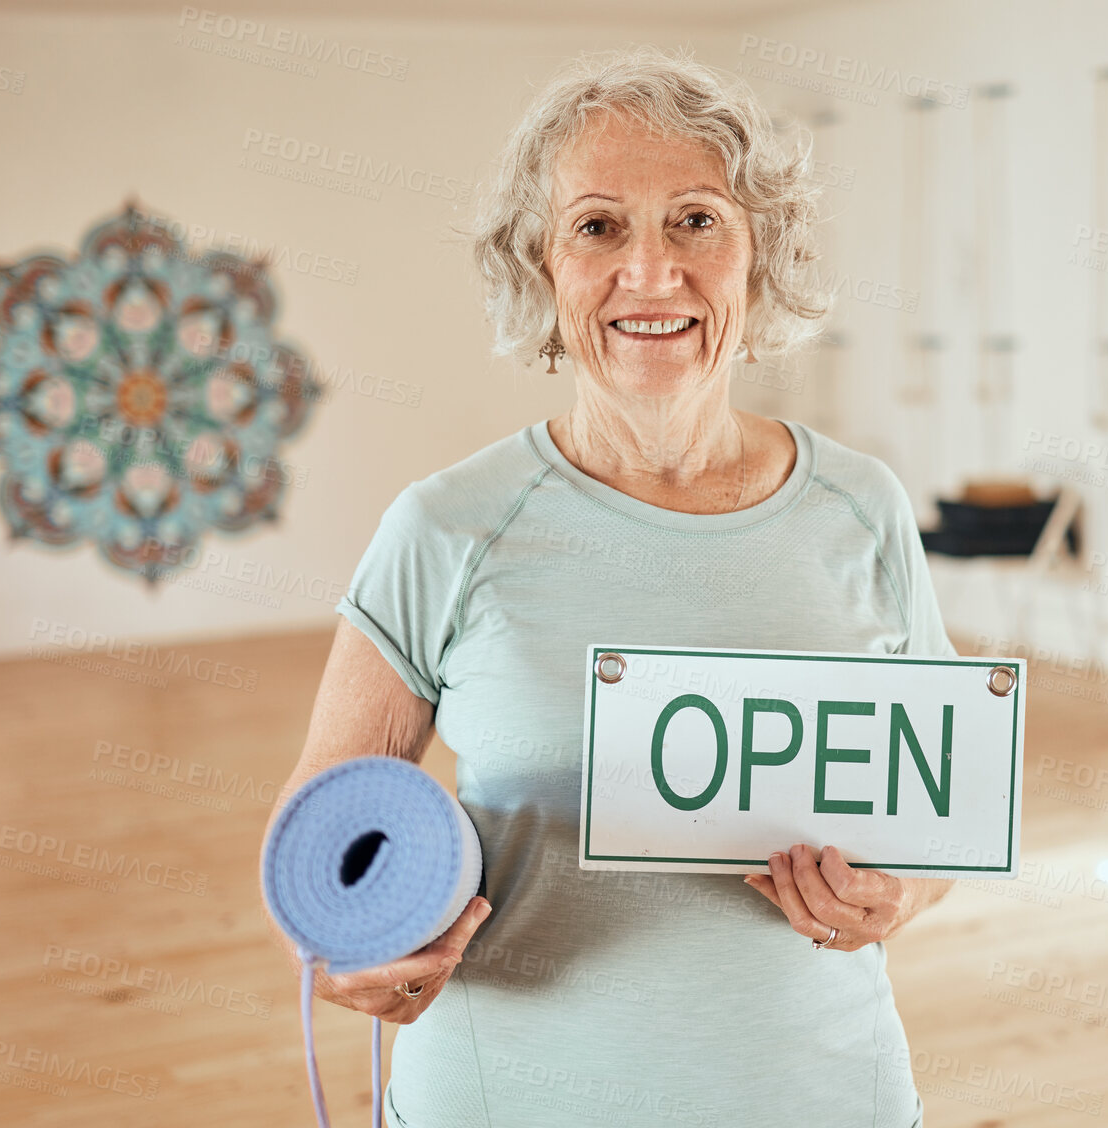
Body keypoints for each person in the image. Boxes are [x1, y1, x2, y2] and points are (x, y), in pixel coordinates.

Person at [267, 44, 960, 1128]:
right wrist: (350, 955)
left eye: (695, 219)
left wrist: (895, 897)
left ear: (757, 256)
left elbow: (934, 833)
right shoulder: (445, 528)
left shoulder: (862, 509)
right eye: (597, 227)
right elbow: (317, 842)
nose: (650, 273)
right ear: (540, 266)